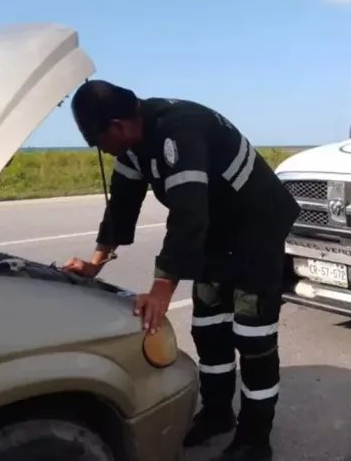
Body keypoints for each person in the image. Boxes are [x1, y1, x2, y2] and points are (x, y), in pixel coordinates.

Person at [62, 80, 299, 461]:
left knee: (253, 337)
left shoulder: (180, 131)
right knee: (208, 329)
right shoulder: (133, 146)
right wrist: (95, 262)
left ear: (117, 126)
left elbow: (189, 214)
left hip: (256, 230)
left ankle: (256, 438)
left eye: (97, 141)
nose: (100, 151)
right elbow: (121, 204)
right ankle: (218, 413)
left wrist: (162, 287)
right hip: (216, 233)